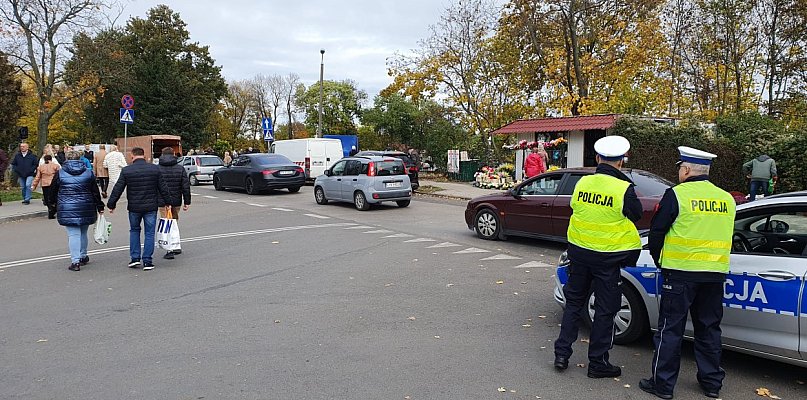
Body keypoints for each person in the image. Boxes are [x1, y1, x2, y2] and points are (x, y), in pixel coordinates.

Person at [639, 147, 736, 400]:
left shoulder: (676, 195)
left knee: (670, 330)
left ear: (686, 170)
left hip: (680, 275)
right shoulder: (726, 198)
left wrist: (659, 259)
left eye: (680, 168)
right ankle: (712, 384)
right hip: (714, 275)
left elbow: (657, 232)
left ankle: (663, 386)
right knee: (709, 330)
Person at [554, 135, 642, 379]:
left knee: (573, 303)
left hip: (579, 253)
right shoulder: (624, 188)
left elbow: (577, 209)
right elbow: (635, 215)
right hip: (607, 259)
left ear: (597, 159)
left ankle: (562, 354)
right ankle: (598, 363)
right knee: (605, 309)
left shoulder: (583, 183)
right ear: (622, 161)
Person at [106, 147, 170, 271]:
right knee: (149, 233)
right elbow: (163, 187)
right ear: (144, 155)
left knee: (134, 231)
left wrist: (111, 204)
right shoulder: (154, 169)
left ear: (132, 156)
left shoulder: (127, 170)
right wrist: (168, 202)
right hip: (151, 207)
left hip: (134, 207)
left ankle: (135, 258)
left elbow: (118, 188)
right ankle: (147, 261)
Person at [49, 150, 105, 271]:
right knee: (83, 232)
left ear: (67, 159)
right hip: (86, 205)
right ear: (80, 159)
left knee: (73, 234)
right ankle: (83, 255)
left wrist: (52, 204)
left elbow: (53, 190)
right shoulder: (88, 173)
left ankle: (75, 261)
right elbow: (95, 192)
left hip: (67, 206)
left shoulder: (60, 173)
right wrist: (100, 206)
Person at [156, 147, 191, 259]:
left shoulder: (157, 169)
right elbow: (185, 186)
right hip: (176, 201)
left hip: (162, 202)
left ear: (162, 154)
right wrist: (187, 201)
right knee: (174, 223)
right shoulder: (180, 169)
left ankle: (169, 249)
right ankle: (175, 245)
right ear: (174, 154)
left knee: (166, 223)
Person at [32, 155, 61, 219]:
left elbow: (37, 177)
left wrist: (34, 185)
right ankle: (53, 209)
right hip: (54, 184)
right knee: (55, 197)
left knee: (47, 198)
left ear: (44, 160)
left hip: (45, 184)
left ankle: (50, 208)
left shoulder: (40, 167)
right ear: (51, 159)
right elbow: (59, 175)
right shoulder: (56, 166)